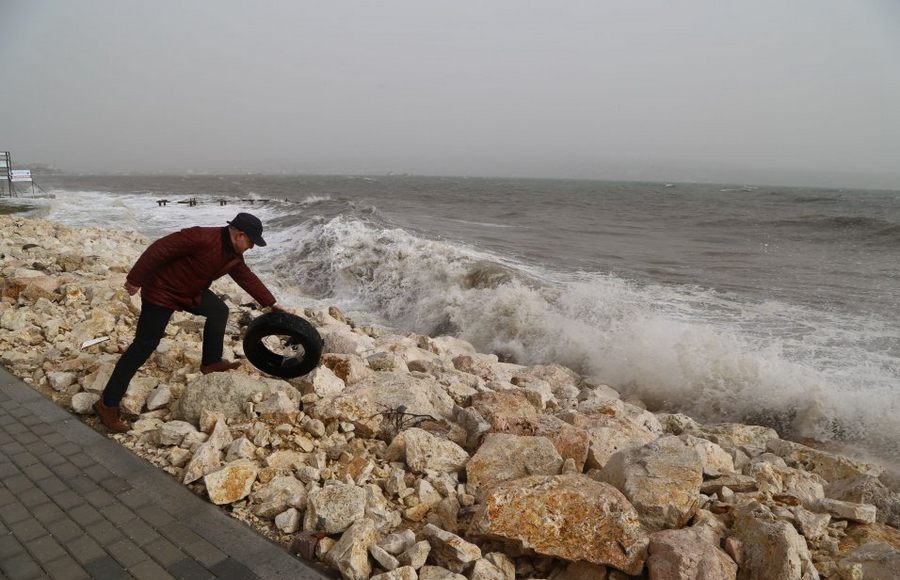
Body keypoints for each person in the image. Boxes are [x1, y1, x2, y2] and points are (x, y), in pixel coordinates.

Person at [94, 212, 284, 432]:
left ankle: (210, 362)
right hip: (162, 292)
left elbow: (247, 278)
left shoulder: (233, 255)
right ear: (239, 235)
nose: (251, 247)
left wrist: (271, 303)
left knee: (219, 311)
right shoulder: (200, 237)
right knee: (143, 346)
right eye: (251, 242)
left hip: (191, 293)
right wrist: (135, 279)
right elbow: (159, 249)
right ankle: (107, 404)